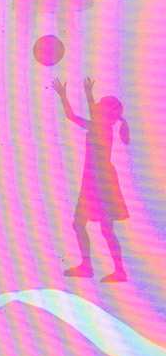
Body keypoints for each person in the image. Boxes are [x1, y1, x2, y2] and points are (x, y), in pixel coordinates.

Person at [51, 77, 129, 284]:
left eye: (101, 105)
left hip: (98, 182)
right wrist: (64, 96)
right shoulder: (99, 126)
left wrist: (84, 94)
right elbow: (71, 116)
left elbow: (79, 114)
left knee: (92, 226)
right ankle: (98, 267)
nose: (97, 107)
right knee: (93, 226)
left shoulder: (101, 128)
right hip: (97, 181)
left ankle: (99, 267)